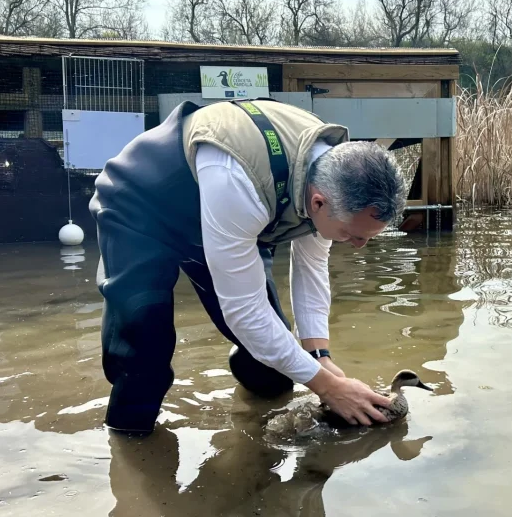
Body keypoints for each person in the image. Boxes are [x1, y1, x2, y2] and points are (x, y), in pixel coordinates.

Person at [88, 97, 408, 436]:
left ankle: (252, 427)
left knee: (275, 368)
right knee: (144, 355)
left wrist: (320, 358)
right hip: (142, 210)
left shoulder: (333, 179)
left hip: (229, 222)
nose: (360, 245)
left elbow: (311, 268)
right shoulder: (239, 182)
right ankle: (127, 448)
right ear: (318, 202)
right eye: (353, 235)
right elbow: (244, 311)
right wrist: (328, 387)